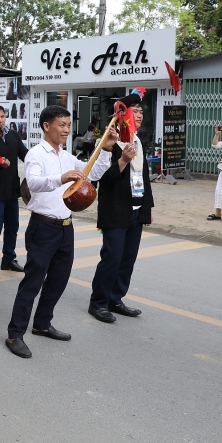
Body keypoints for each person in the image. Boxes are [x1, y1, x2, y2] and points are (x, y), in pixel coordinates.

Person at [5, 105, 116, 359]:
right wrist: (60, 178)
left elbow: (93, 173)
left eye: (68, 125)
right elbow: (33, 183)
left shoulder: (66, 156)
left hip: (66, 227)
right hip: (43, 227)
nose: (66, 129)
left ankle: (42, 323)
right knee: (32, 282)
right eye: (61, 125)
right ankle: (15, 334)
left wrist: (107, 148)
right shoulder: (36, 154)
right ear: (47, 126)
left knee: (59, 279)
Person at [89, 90, 153, 323]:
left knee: (128, 258)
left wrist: (147, 209)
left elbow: (144, 178)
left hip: (136, 209)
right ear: (122, 117)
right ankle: (98, 302)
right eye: (134, 111)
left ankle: (115, 298)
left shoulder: (137, 141)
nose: (139, 115)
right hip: (115, 210)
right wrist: (123, 159)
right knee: (112, 257)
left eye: (141, 111)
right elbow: (102, 179)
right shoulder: (108, 142)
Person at [0, 104, 28, 279]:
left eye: (2, 116)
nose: (0, 120)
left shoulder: (14, 135)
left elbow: (26, 155)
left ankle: (8, 259)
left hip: (12, 191)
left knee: (12, 227)